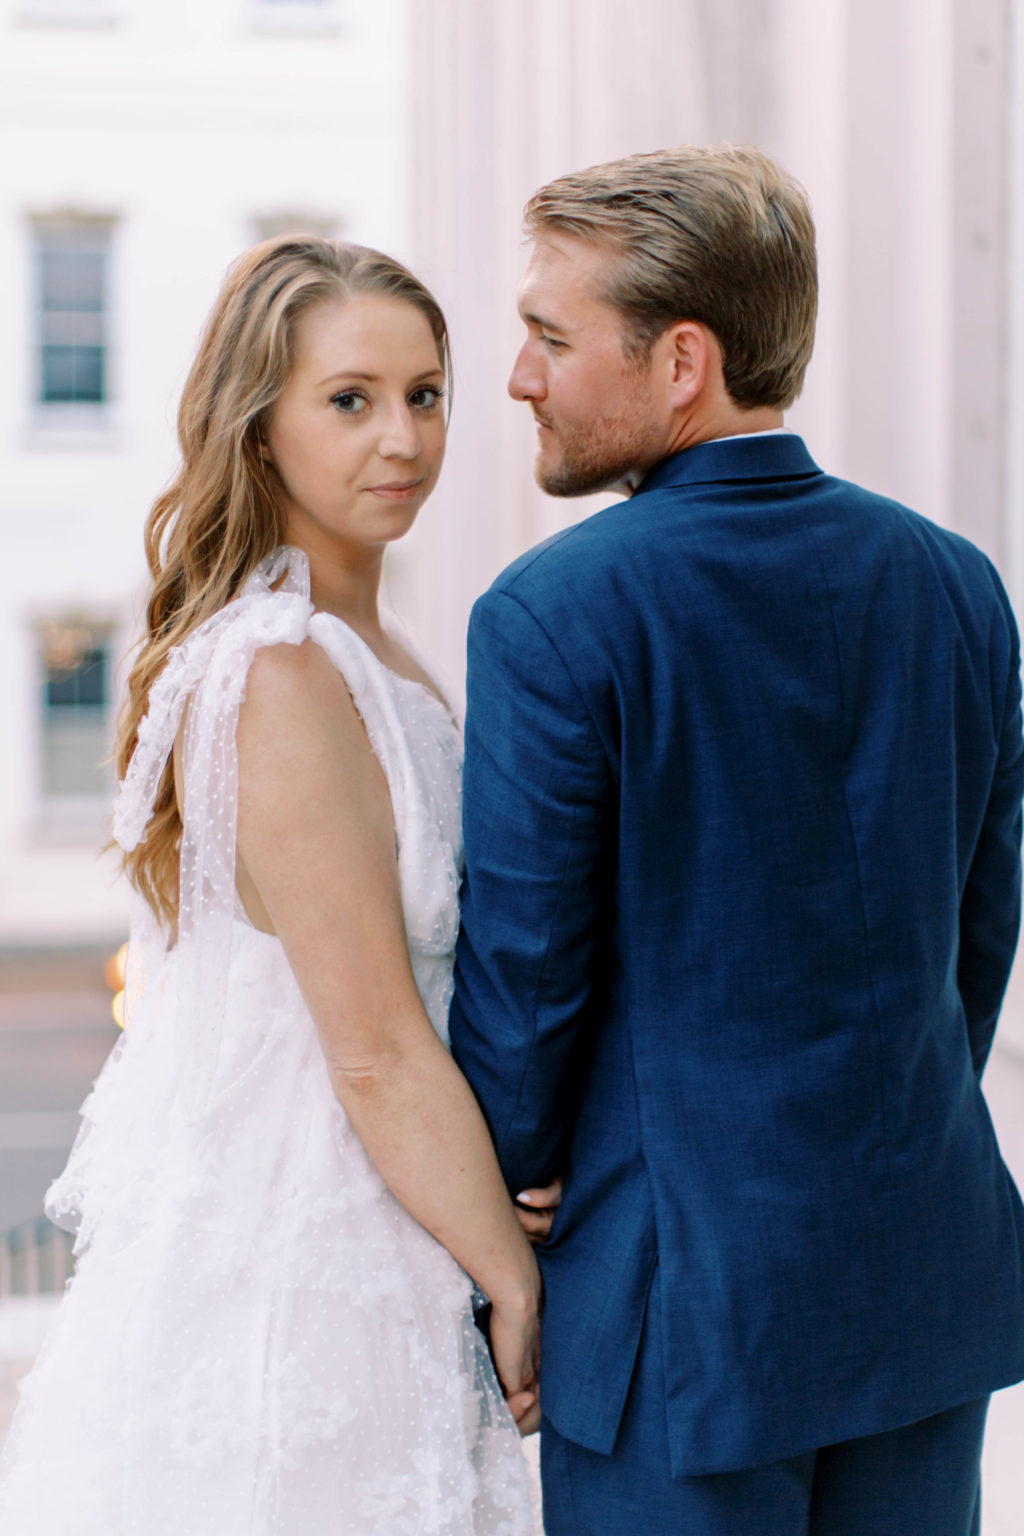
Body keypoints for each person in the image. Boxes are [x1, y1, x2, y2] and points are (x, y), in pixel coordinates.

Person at [449, 145, 1024, 1536]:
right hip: (919, 1279)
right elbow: (976, 942)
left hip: (677, 1312)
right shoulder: (959, 585)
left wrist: (502, 1227)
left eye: (547, 338)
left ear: (681, 363)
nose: (520, 378)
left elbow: (525, 986)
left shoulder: (552, 614)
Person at [0, 236, 540, 1535]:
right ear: (260, 425)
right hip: (311, 1261)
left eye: (425, 393)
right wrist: (515, 1279)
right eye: (350, 400)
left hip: (394, 1222)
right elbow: (371, 1052)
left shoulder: (374, 640)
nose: (402, 437)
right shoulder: (286, 672)